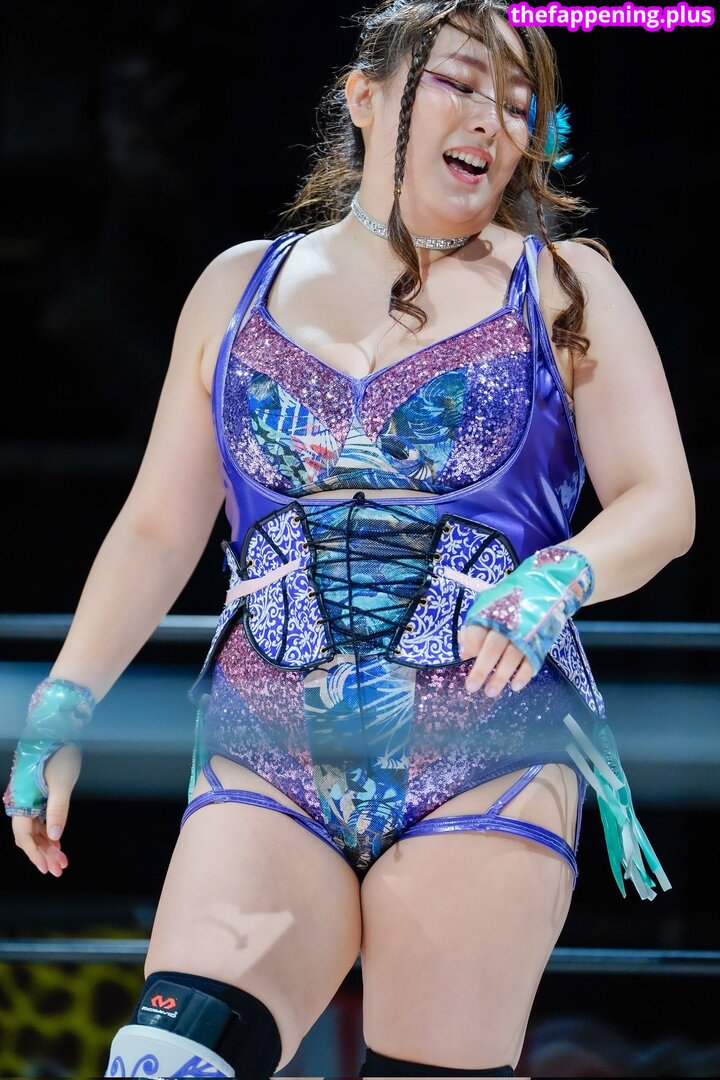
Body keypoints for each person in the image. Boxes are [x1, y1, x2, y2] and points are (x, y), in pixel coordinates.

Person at [4, 0, 695, 1076]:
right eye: (459, 82)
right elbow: (156, 526)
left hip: (487, 747)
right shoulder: (238, 287)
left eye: (519, 104)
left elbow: (661, 501)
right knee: (168, 1060)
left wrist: (560, 573)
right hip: (269, 745)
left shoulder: (561, 286)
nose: (492, 119)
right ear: (365, 98)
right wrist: (64, 705)